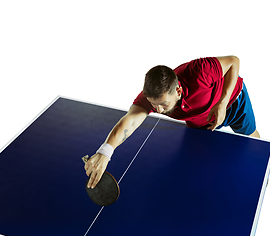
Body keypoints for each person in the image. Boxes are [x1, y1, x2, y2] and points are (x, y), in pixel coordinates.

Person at [85, 56, 260, 189]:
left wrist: (222, 102)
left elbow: (233, 62)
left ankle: (262, 172)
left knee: (252, 140)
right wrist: (106, 151)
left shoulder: (200, 71)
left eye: (163, 104)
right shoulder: (151, 99)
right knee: (198, 161)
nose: (159, 110)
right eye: (154, 105)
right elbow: (129, 122)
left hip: (232, 103)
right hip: (199, 120)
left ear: (178, 90)